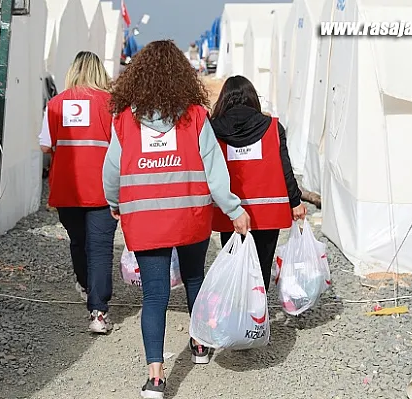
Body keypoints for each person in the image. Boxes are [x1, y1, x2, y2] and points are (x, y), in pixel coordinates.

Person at [102, 40, 250, 398]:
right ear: (182, 76)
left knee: (154, 297)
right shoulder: (196, 116)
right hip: (190, 216)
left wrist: (113, 202)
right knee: (195, 277)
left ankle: (155, 377)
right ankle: (199, 344)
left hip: (145, 219)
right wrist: (234, 209)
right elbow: (215, 170)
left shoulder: (124, 119)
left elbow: (111, 169)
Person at [39, 51, 117, 334]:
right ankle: (98, 312)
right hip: (102, 188)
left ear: (72, 71)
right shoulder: (112, 105)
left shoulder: (56, 104)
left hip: (67, 188)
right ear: (99, 73)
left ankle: (85, 285)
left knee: (78, 242)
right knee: (100, 248)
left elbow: (45, 146)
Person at [210, 75, 307, 289]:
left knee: (235, 262)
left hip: (231, 210)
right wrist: (295, 201)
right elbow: (285, 169)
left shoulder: (214, 129)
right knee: (262, 267)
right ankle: (257, 316)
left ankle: (237, 309)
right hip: (268, 210)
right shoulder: (272, 127)